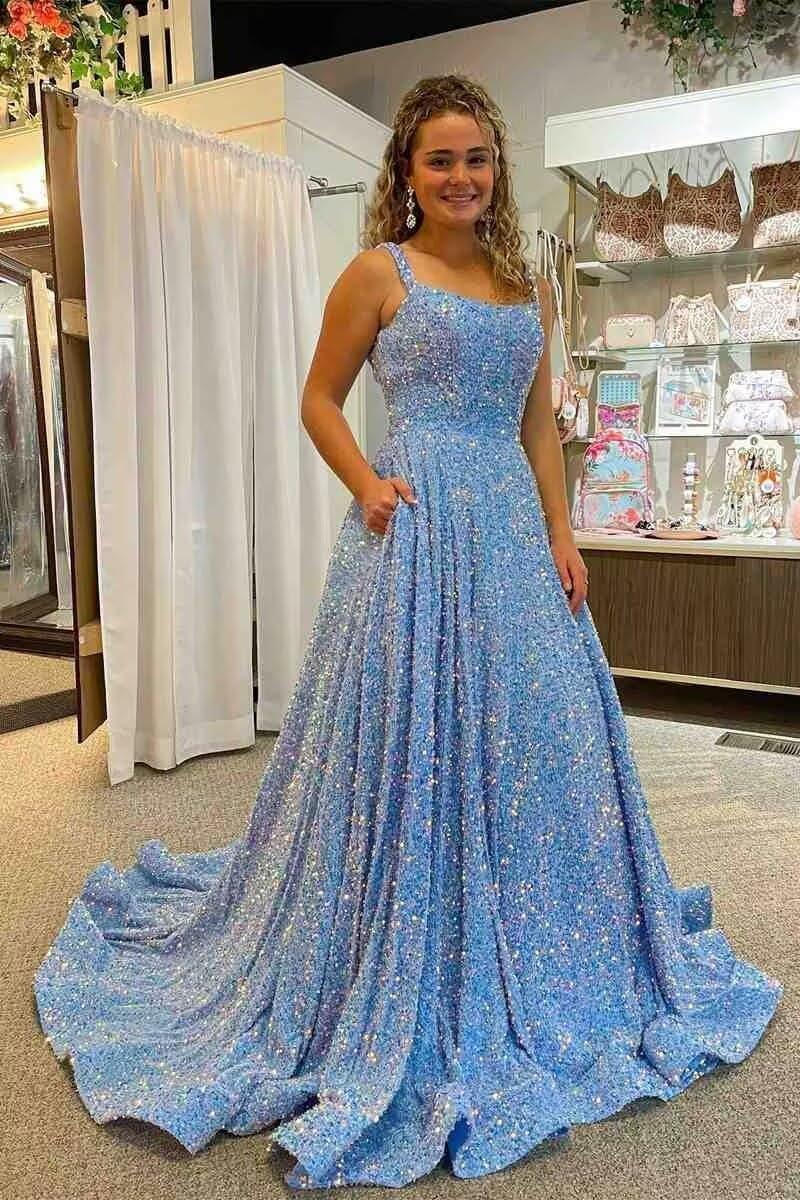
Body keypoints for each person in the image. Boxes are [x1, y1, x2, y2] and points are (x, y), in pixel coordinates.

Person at [34, 74, 782, 1190]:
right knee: (405, 734)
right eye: (440, 160)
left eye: (476, 158)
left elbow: (537, 428)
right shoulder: (377, 273)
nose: (461, 177)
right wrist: (366, 481)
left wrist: (563, 533)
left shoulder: (522, 283)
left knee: (539, 735)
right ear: (407, 172)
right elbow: (317, 398)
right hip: (418, 527)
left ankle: (540, 925)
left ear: (496, 167)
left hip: (510, 534)